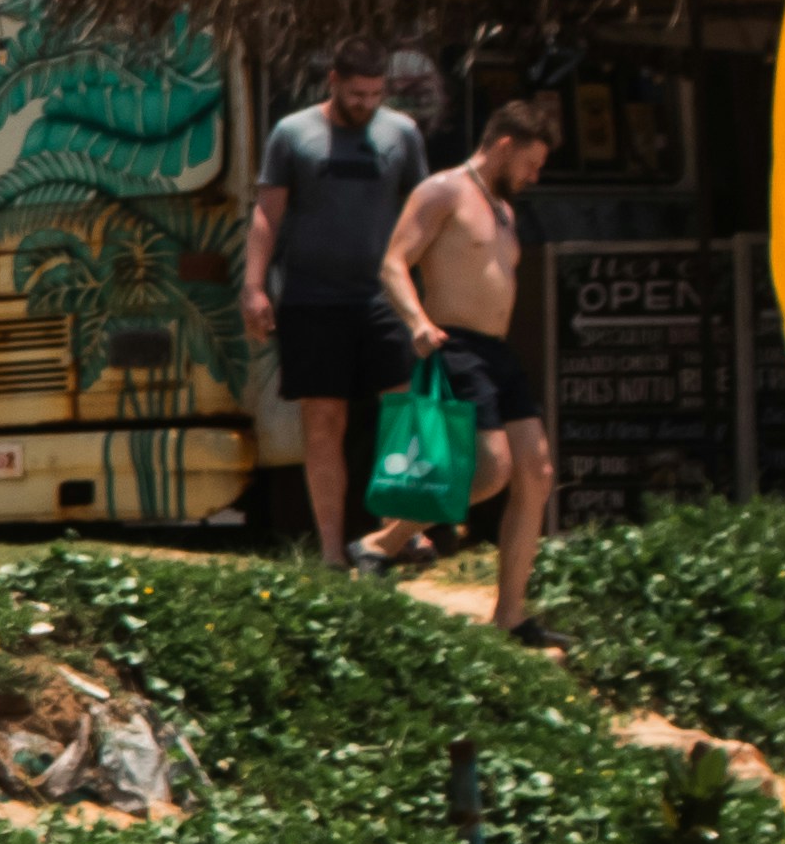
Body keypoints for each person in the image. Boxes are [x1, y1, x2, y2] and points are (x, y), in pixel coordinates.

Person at [379, 94, 562, 642]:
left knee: (538, 472)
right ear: (504, 146)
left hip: (498, 350)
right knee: (490, 470)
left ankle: (511, 615)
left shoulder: (503, 208)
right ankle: (381, 544)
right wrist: (415, 321)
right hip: (453, 342)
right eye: (530, 164)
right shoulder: (443, 190)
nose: (533, 177)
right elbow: (392, 262)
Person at [239, 54, 427, 569]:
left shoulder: (402, 133)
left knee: (403, 407)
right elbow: (266, 212)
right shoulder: (292, 133)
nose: (366, 105)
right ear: (334, 83)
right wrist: (254, 286)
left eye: (375, 95)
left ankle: (397, 532)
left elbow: (421, 212)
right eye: (356, 95)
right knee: (324, 421)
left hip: (382, 296)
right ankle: (330, 551)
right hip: (312, 298)